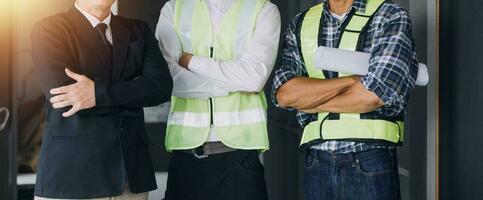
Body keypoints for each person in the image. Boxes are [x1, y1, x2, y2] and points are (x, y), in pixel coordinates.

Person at [272, 0, 418, 199]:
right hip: (316, 162)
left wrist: (309, 103)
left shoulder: (390, 16)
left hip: (369, 159)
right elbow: (285, 94)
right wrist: (350, 81)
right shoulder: (301, 23)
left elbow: (374, 95)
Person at [31, 0, 173, 199]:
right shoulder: (49, 29)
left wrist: (96, 93)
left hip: (130, 177)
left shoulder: (138, 29)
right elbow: (64, 95)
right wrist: (134, 91)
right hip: (73, 175)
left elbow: (161, 87)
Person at [156, 0, 280, 199]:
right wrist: (233, 84)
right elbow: (166, 78)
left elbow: (254, 78)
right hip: (186, 158)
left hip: (239, 160)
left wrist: (190, 61)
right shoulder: (174, 9)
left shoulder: (262, 9)